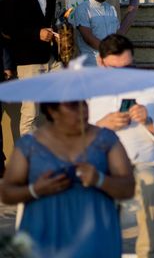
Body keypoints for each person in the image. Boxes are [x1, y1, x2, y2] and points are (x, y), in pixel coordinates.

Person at [0, 100, 134, 257]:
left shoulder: (106, 140)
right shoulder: (29, 145)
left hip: (95, 232)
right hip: (43, 233)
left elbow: (128, 187)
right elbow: (7, 193)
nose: (82, 110)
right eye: (72, 106)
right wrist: (35, 190)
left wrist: (99, 179)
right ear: (52, 111)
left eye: (83, 104)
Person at [88, 34, 154, 258]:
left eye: (128, 67)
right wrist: (101, 124)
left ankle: (147, 253)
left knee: (148, 181)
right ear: (100, 62)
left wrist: (149, 122)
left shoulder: (153, 88)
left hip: (140, 164)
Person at [2, 0, 59, 135]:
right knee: (31, 113)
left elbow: (49, 20)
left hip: (52, 57)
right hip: (29, 60)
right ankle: (26, 158)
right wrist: (37, 34)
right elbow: (8, 29)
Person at [70, 0, 119, 66]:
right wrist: (109, 51)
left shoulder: (111, 9)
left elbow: (116, 35)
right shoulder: (83, 9)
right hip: (91, 65)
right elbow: (88, 38)